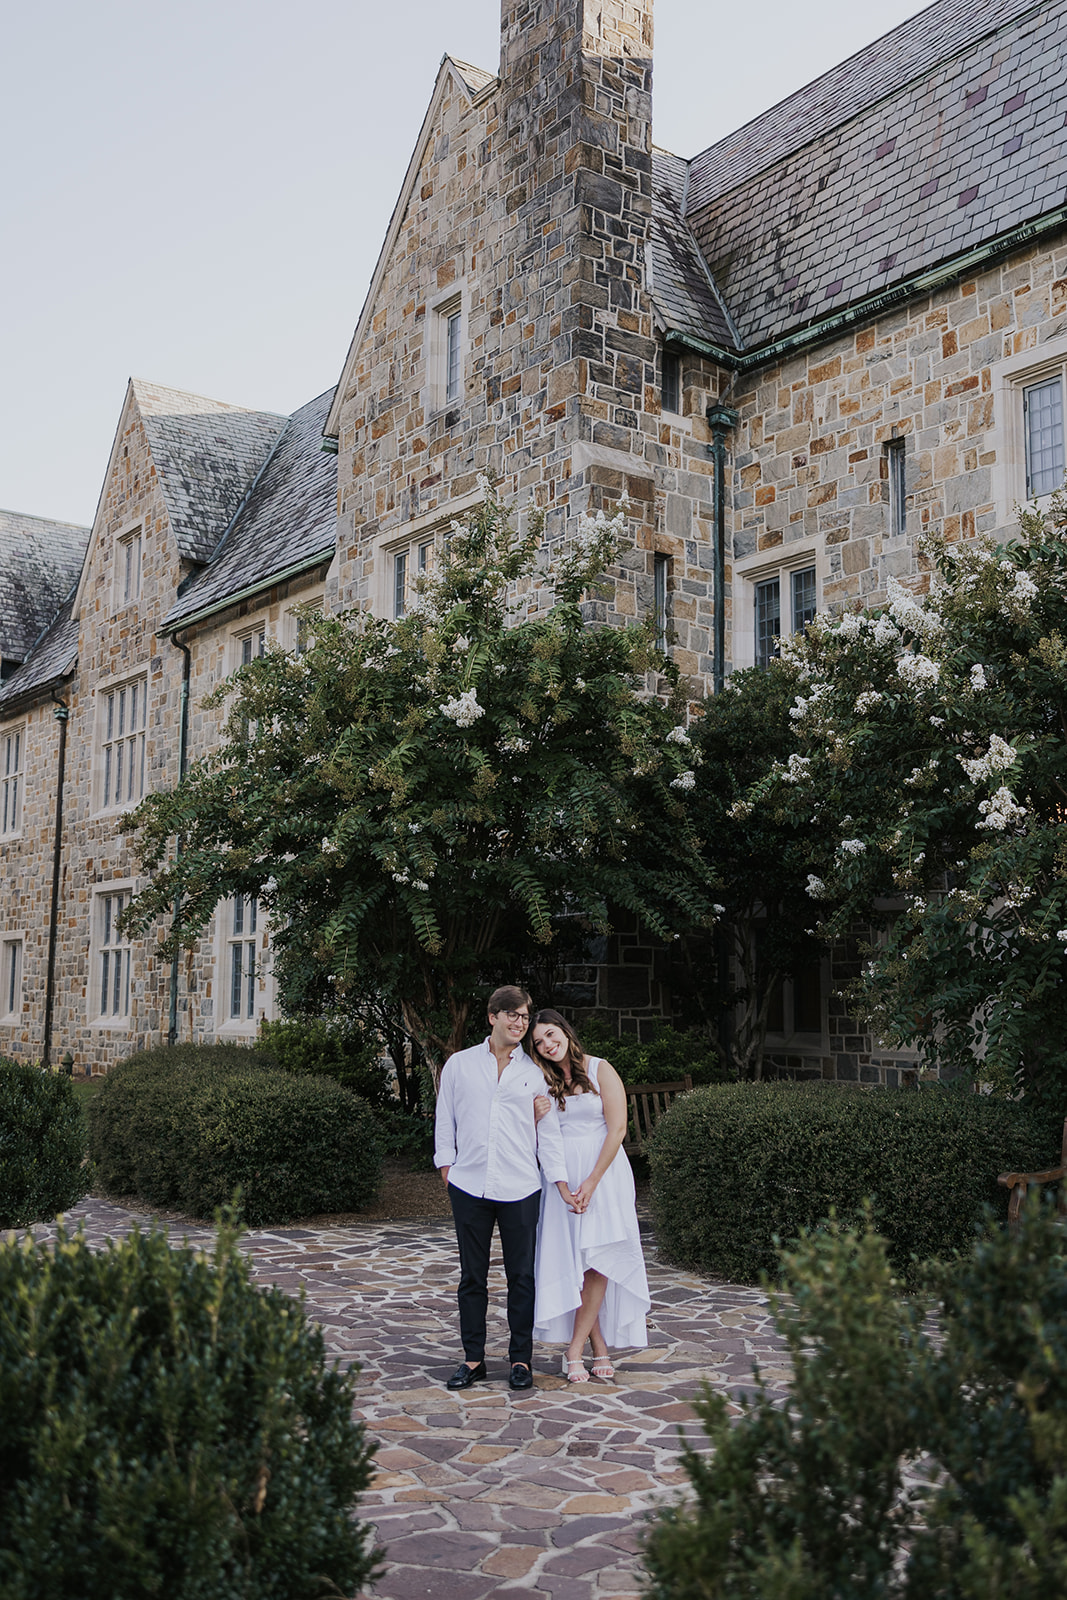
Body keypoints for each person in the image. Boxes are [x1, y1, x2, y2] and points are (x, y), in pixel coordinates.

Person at [434, 985, 576, 1391]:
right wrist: (447, 1166)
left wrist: (561, 1185)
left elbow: (547, 1137)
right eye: (512, 1014)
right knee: (472, 1278)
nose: (519, 1022)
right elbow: (445, 1120)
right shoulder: (459, 1065)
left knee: (521, 1277)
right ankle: (473, 1360)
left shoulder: (534, 1074)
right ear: (492, 1017)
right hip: (469, 1186)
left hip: (520, 1188)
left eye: (524, 1016)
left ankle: (520, 1360)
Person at [529, 1010, 650, 1381]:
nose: (548, 1045)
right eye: (539, 1043)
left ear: (565, 1031)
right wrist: (533, 1116)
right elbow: (539, 1136)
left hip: (604, 1175)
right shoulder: (541, 1080)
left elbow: (617, 1129)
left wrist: (593, 1182)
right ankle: (597, 1347)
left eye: (551, 1035)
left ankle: (574, 1349)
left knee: (599, 1259)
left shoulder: (600, 1069)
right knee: (576, 1262)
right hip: (563, 1180)